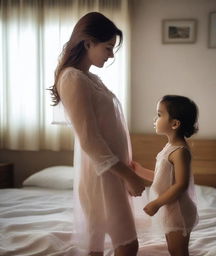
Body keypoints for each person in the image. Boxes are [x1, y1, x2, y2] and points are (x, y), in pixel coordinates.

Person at [49, 12, 145, 256]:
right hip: (103, 173)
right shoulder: (72, 78)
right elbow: (90, 140)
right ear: (88, 42)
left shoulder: (88, 78)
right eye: (108, 47)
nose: (111, 55)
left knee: (101, 239)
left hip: (108, 170)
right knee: (126, 243)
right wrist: (129, 176)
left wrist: (127, 168)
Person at [131, 95, 199, 256]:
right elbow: (164, 178)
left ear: (175, 124)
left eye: (160, 114)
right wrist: (139, 170)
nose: (155, 119)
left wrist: (157, 203)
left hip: (178, 211)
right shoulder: (170, 146)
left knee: (179, 251)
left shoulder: (180, 151)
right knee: (172, 249)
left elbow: (180, 184)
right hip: (170, 209)